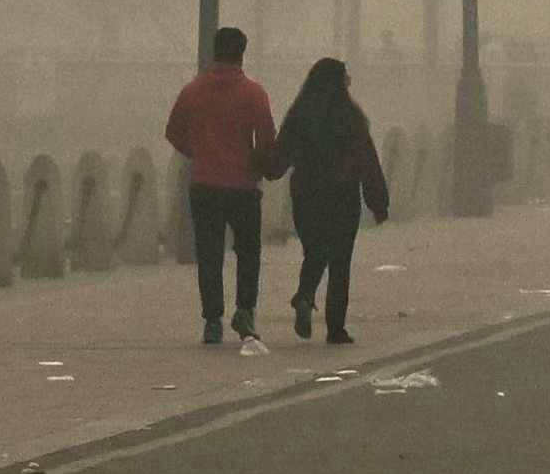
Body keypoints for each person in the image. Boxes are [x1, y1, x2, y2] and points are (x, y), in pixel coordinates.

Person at [165, 25, 277, 346]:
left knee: (210, 254)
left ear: (214, 52)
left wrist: (198, 152)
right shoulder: (254, 93)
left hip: (204, 185)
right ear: (242, 53)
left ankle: (212, 320)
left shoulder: (193, 91)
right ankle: (244, 310)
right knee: (248, 252)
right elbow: (267, 139)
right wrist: (256, 163)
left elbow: (173, 131)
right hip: (242, 186)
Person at [277, 53, 387, 345]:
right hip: (342, 195)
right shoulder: (351, 117)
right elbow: (367, 159)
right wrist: (378, 201)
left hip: (305, 194)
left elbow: (281, 154)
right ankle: (335, 328)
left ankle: (305, 294)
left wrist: (261, 169)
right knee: (340, 261)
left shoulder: (299, 114)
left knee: (315, 250)